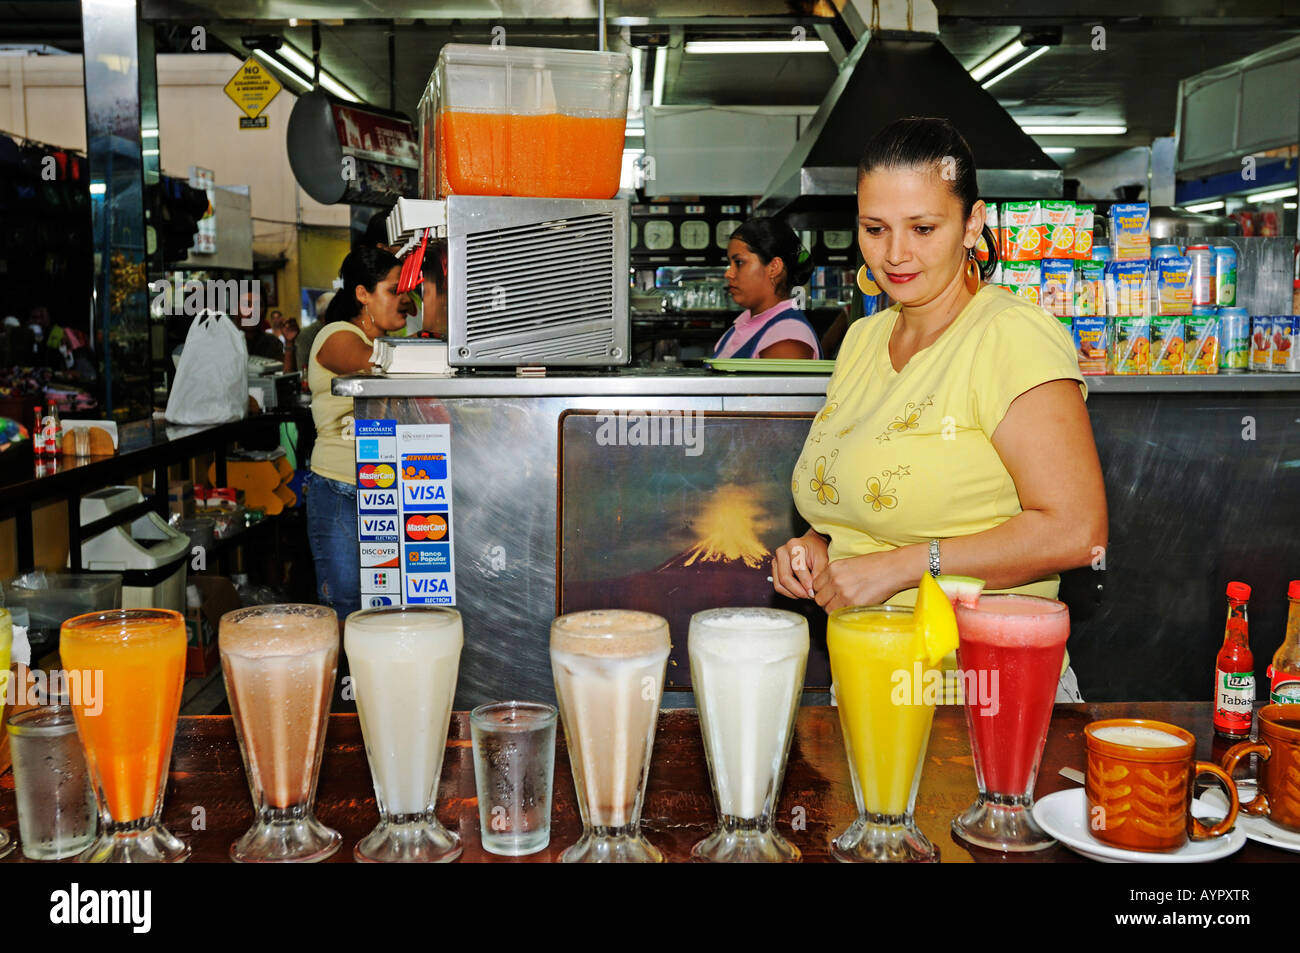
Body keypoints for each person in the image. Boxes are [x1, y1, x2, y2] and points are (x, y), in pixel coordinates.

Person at [771, 117, 1107, 701]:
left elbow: (1078, 533)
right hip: (867, 677)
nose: (896, 254)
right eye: (875, 229)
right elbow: (862, 507)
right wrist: (816, 546)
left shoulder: (1011, 337)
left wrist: (904, 566)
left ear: (972, 223)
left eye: (923, 228)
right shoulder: (862, 340)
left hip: (984, 688)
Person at [304, 248, 407, 621]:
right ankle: (348, 682)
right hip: (341, 491)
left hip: (389, 491)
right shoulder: (335, 335)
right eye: (395, 290)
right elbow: (370, 363)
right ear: (363, 294)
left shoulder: (397, 342)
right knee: (346, 606)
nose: (405, 299)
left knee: (389, 609)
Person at [711, 217, 822, 360]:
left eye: (739, 262)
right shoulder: (740, 327)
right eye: (729, 263)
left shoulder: (787, 340)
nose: (728, 273)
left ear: (774, 267)